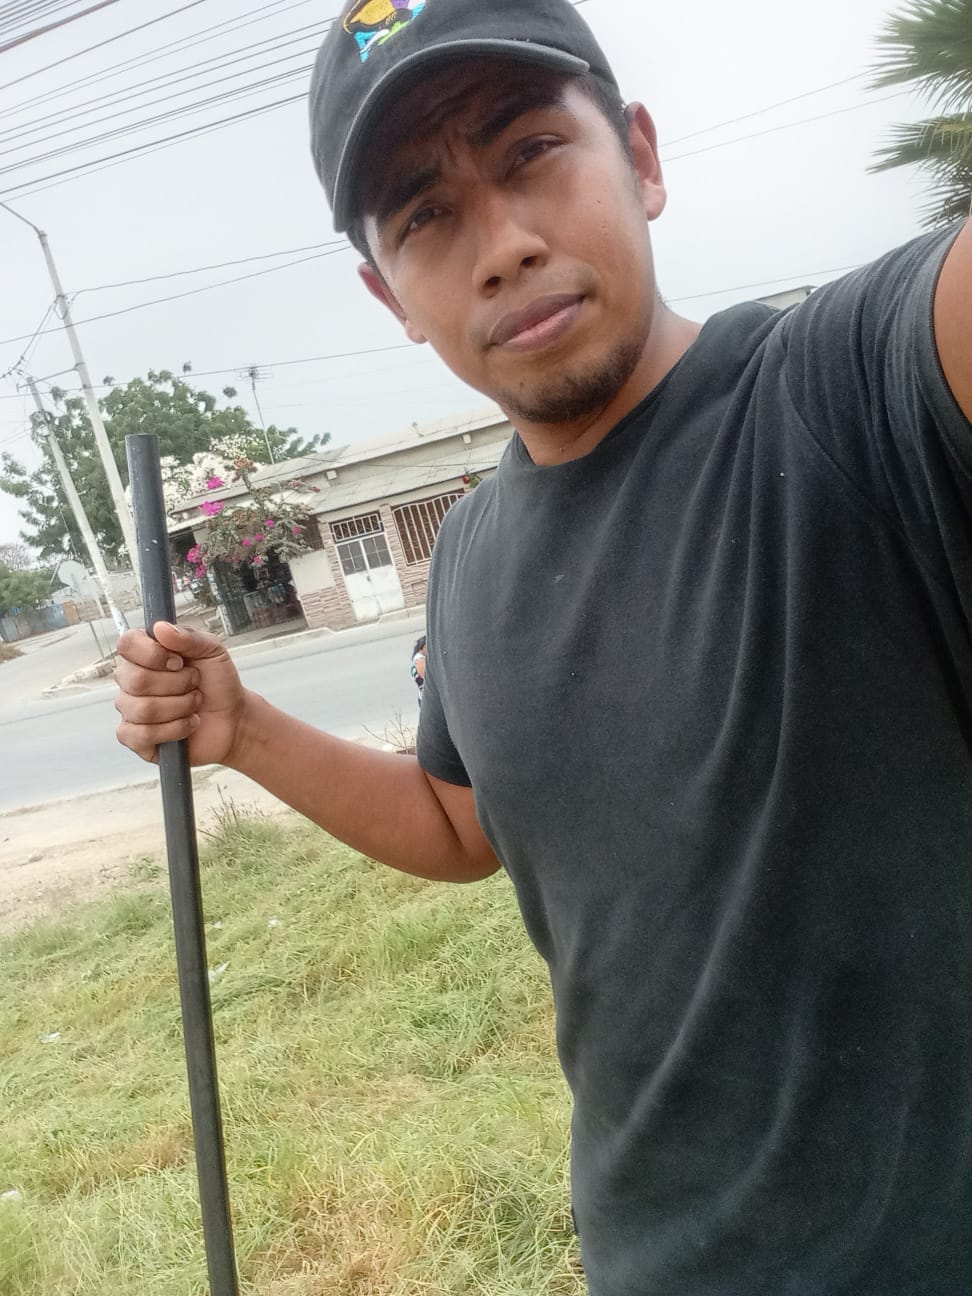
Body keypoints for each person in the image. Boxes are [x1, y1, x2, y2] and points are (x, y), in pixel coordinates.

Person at [113, 1, 972, 1291]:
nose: (503, 245)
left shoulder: (848, 391)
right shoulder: (465, 557)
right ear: (389, 295)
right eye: (426, 216)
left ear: (642, 156)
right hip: (648, 1257)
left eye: (531, 152)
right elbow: (462, 824)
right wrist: (243, 732)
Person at [410, 633, 426, 703]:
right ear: (422, 648)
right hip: (426, 697)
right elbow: (425, 678)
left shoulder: (417, 659)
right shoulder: (420, 660)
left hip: (423, 696)